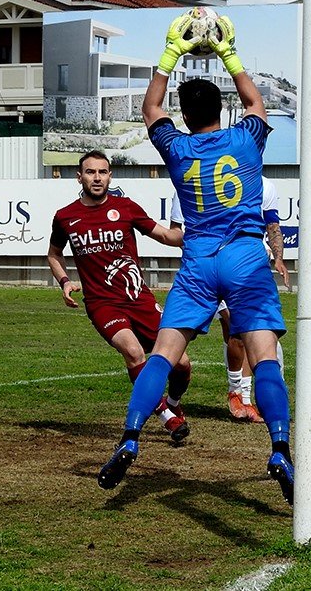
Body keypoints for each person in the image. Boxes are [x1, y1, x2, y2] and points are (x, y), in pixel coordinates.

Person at [97, 12, 295, 504]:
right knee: (264, 358)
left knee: (162, 356)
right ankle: (279, 449)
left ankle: (130, 436)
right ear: (222, 111)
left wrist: (171, 51)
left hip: (199, 259)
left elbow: (149, 107)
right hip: (246, 258)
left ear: (184, 116)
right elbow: (255, 100)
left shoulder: (178, 147)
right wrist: (228, 52)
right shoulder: (246, 136)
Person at [48, 150, 191, 442]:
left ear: (110, 176)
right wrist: (64, 281)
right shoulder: (65, 217)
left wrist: (202, 236)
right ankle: (168, 418)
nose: (97, 178)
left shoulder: (126, 208)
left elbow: (166, 236)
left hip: (139, 299)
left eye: (102, 172)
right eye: (90, 172)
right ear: (79, 177)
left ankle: (174, 403)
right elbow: (53, 254)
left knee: (183, 363)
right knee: (134, 353)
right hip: (102, 304)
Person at [169, 176, 290, 423]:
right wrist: (202, 250)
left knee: (259, 334)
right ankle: (237, 393)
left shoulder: (264, 184)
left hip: (251, 268)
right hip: (209, 269)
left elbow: (273, 226)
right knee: (230, 326)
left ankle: (251, 396)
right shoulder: (192, 182)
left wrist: (278, 257)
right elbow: (176, 230)